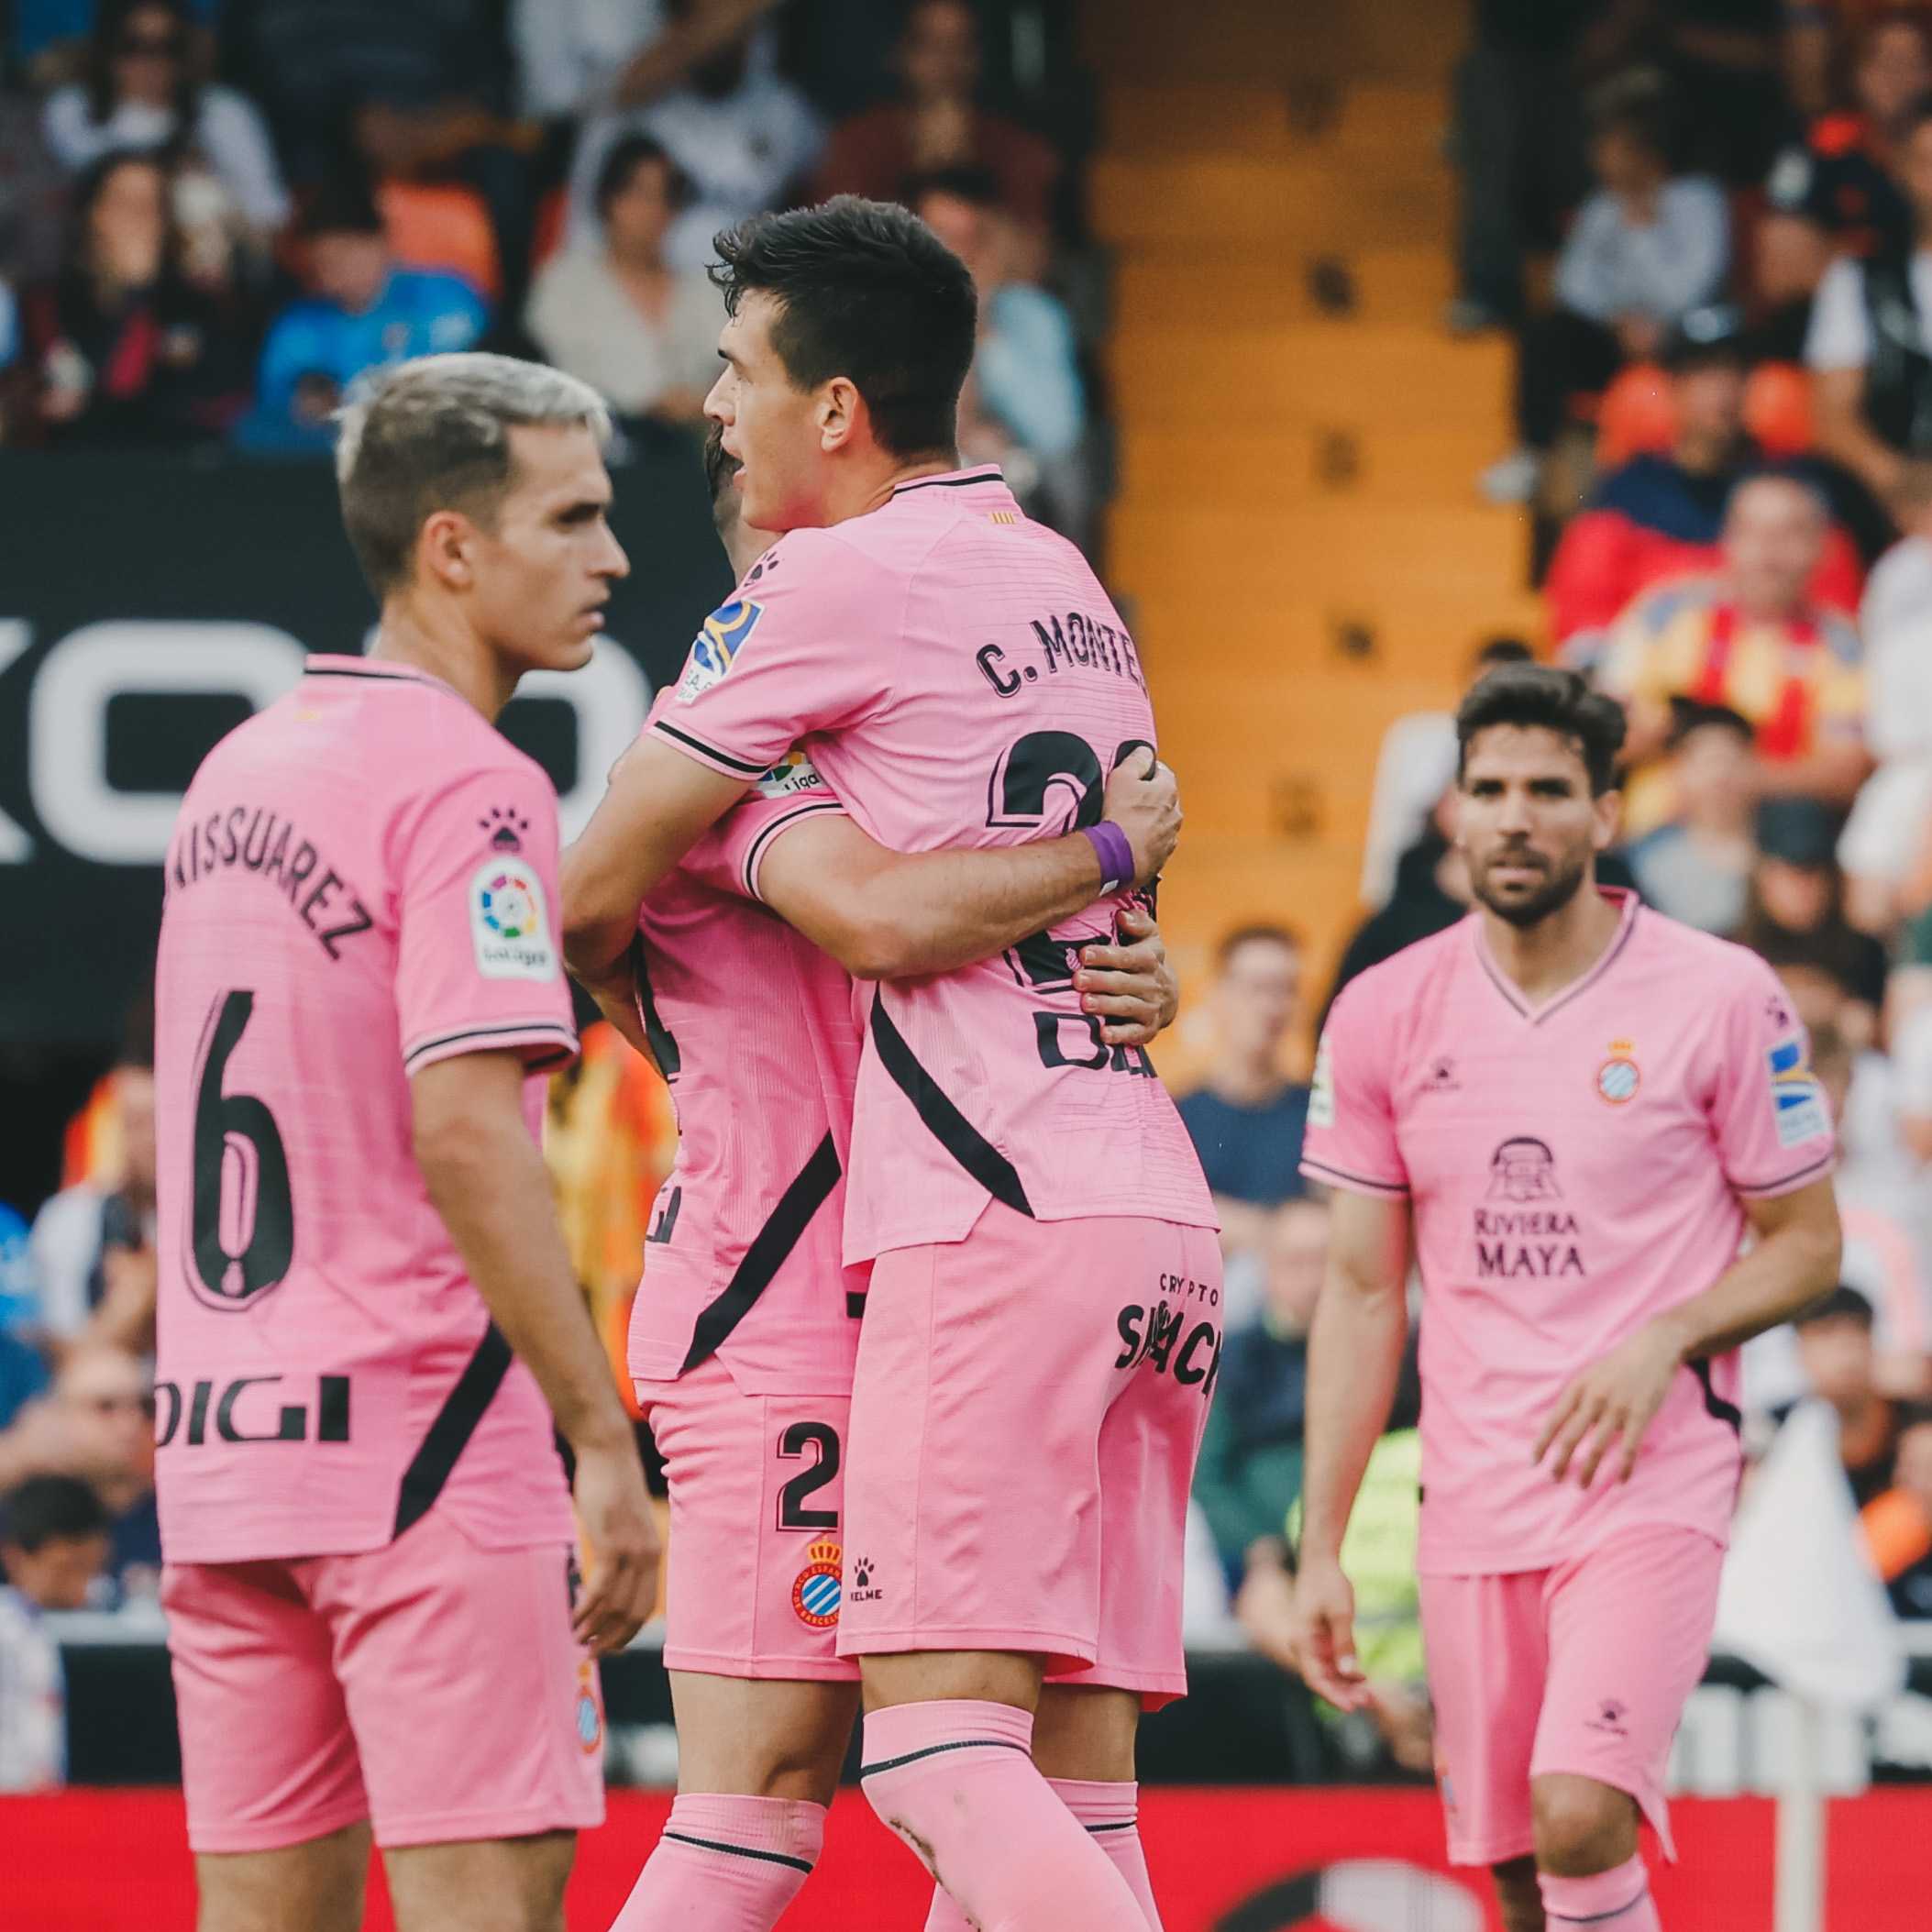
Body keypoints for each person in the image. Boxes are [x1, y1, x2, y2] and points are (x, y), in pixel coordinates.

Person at [560, 195, 1220, 1931]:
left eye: (737, 373)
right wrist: (1114, 877)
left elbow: (748, 908)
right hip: (1073, 1215)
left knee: (919, 1765)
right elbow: (1039, 876)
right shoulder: (1057, 576)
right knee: (1013, 1784)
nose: (714, 407)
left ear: (836, 410)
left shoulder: (825, 600)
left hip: (974, 1221)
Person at [152, 354, 658, 1931]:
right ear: (451, 546)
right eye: (570, 518)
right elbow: (463, 1126)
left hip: (228, 1454)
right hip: (426, 1448)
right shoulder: (472, 781)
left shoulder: (237, 769)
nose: (612, 557)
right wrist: (598, 1436)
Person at [1293, 664, 1841, 1932]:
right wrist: (1320, 1545)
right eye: (1487, 789)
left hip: (1649, 1478)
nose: (1512, 817)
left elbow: (1807, 1246)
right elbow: (1362, 1294)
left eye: (1546, 789)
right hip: (1470, 1491)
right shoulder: (1380, 1010)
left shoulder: (1719, 994)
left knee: (1579, 1810)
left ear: (1605, 811)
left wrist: (1665, 1336)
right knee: (1516, 1873)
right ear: (1451, 812)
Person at [1546, 305, 1864, 665]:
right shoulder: (1626, 491)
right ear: (1673, 386)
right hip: (1649, 679)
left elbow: (1837, 620)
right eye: (1703, 373)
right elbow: (1584, 623)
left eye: (1734, 372)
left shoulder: (1795, 491)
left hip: (1776, 677)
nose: (1722, 390)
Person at [1483, 77, 1730, 505]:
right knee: (1547, 332)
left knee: (1709, 337)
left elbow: (1691, 290)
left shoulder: (1699, 201)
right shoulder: (1600, 208)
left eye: (1609, 145)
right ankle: (1531, 455)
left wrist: (1642, 229)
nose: (1597, 155)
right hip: (1616, 335)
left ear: (1643, 150)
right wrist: (1619, 320)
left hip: (1685, 335)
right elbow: (1571, 287)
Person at [1596, 471, 1871, 834]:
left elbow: (1845, 771)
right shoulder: (1664, 613)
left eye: (1789, 534)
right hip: (1653, 833)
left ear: (1821, 547)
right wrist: (1677, 728)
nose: (1768, 552)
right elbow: (1602, 735)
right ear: (1727, 538)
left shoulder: (1841, 645)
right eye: (1752, 531)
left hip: (1772, 845)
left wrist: (1731, 776)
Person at [9, 149, 247, 447]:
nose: (141, 217)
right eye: (125, 203)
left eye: (153, 205)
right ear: (92, 214)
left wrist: (142, 292)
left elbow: (213, 405)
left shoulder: (198, 307)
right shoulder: (46, 307)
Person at [565, 0, 822, 270]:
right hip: (613, 286)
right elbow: (627, 84)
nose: (723, 35)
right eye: (714, 17)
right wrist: (737, 12)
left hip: (732, 289)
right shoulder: (628, 99)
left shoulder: (783, 112)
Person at [907, 166, 1088, 539]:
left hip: (1012, 495)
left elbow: (1057, 433)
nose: (953, 253)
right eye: (938, 236)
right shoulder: (879, 316)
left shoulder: (1030, 314)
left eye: (967, 238)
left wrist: (981, 322)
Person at [241, 181, 488, 452]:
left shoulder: (446, 297)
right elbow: (271, 412)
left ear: (381, 241)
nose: (337, 277)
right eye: (324, 265)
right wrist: (304, 410)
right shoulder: (298, 327)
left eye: (347, 256)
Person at [812, 0, 1060, 259]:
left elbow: (1033, 257)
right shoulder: (858, 143)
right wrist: (924, 175)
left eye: (961, 47)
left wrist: (963, 174)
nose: (947, 63)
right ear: (901, 54)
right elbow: (832, 253)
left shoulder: (1015, 148)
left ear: (979, 58)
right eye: (931, 46)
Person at [40, 0, 290, 241]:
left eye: (167, 47)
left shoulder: (224, 112)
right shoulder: (70, 110)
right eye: (132, 45)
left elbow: (270, 212)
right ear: (106, 50)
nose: (151, 63)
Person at [1757, 8, 1927, 348]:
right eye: (1882, 62)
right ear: (1856, 73)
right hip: (1830, 325)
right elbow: (1780, 269)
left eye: (1910, 64)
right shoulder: (1820, 143)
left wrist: (1839, 250)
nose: (1895, 77)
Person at [525, 134, 720, 425]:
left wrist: (697, 404)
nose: (653, 210)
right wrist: (649, 403)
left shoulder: (703, 288)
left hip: (698, 434)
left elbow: (736, 369)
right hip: (599, 433)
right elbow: (553, 374)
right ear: (609, 200)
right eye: (640, 194)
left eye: (665, 197)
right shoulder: (564, 283)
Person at [1192, 1197, 1329, 1593]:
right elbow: (1208, 1476)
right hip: (1262, 1564)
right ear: (1267, 1268)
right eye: (1297, 1262)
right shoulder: (1229, 1362)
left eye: (1325, 1261)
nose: (1313, 1280)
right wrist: (1258, 1545)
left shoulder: (1387, 1359)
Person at [1808, 92, 1932, 515]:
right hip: (1896, 505)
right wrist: (1905, 488)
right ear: (1902, 171)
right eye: (1927, 163)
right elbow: (1835, 419)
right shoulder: (1855, 280)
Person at [1176, 926, 1312, 1262]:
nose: (1271, 1006)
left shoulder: (1317, 1115)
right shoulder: (1175, 1117)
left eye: (1285, 989)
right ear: (1217, 995)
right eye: (1257, 988)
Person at [28, 1048, 157, 1359]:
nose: (153, 1138)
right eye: (137, 1122)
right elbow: (63, 1353)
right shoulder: (69, 1217)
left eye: (163, 1121)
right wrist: (132, 1302)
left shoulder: (210, 1216)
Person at [0, 1474, 111, 1792]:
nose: (82, 1585)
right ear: (16, 1557)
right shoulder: (7, 1628)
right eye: (67, 1569)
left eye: (91, 1569)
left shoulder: (113, 1621)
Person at [1622, 704, 1757, 935]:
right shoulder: (1643, 858)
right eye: (1708, 761)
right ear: (1679, 770)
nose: (1720, 776)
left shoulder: (1782, 853)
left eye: (1731, 760)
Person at [1793, 1283, 1902, 1504]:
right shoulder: (1776, 1434)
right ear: (1800, 1349)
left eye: (1857, 1330)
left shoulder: (1916, 1424)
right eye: (1827, 1332)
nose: (1845, 1348)